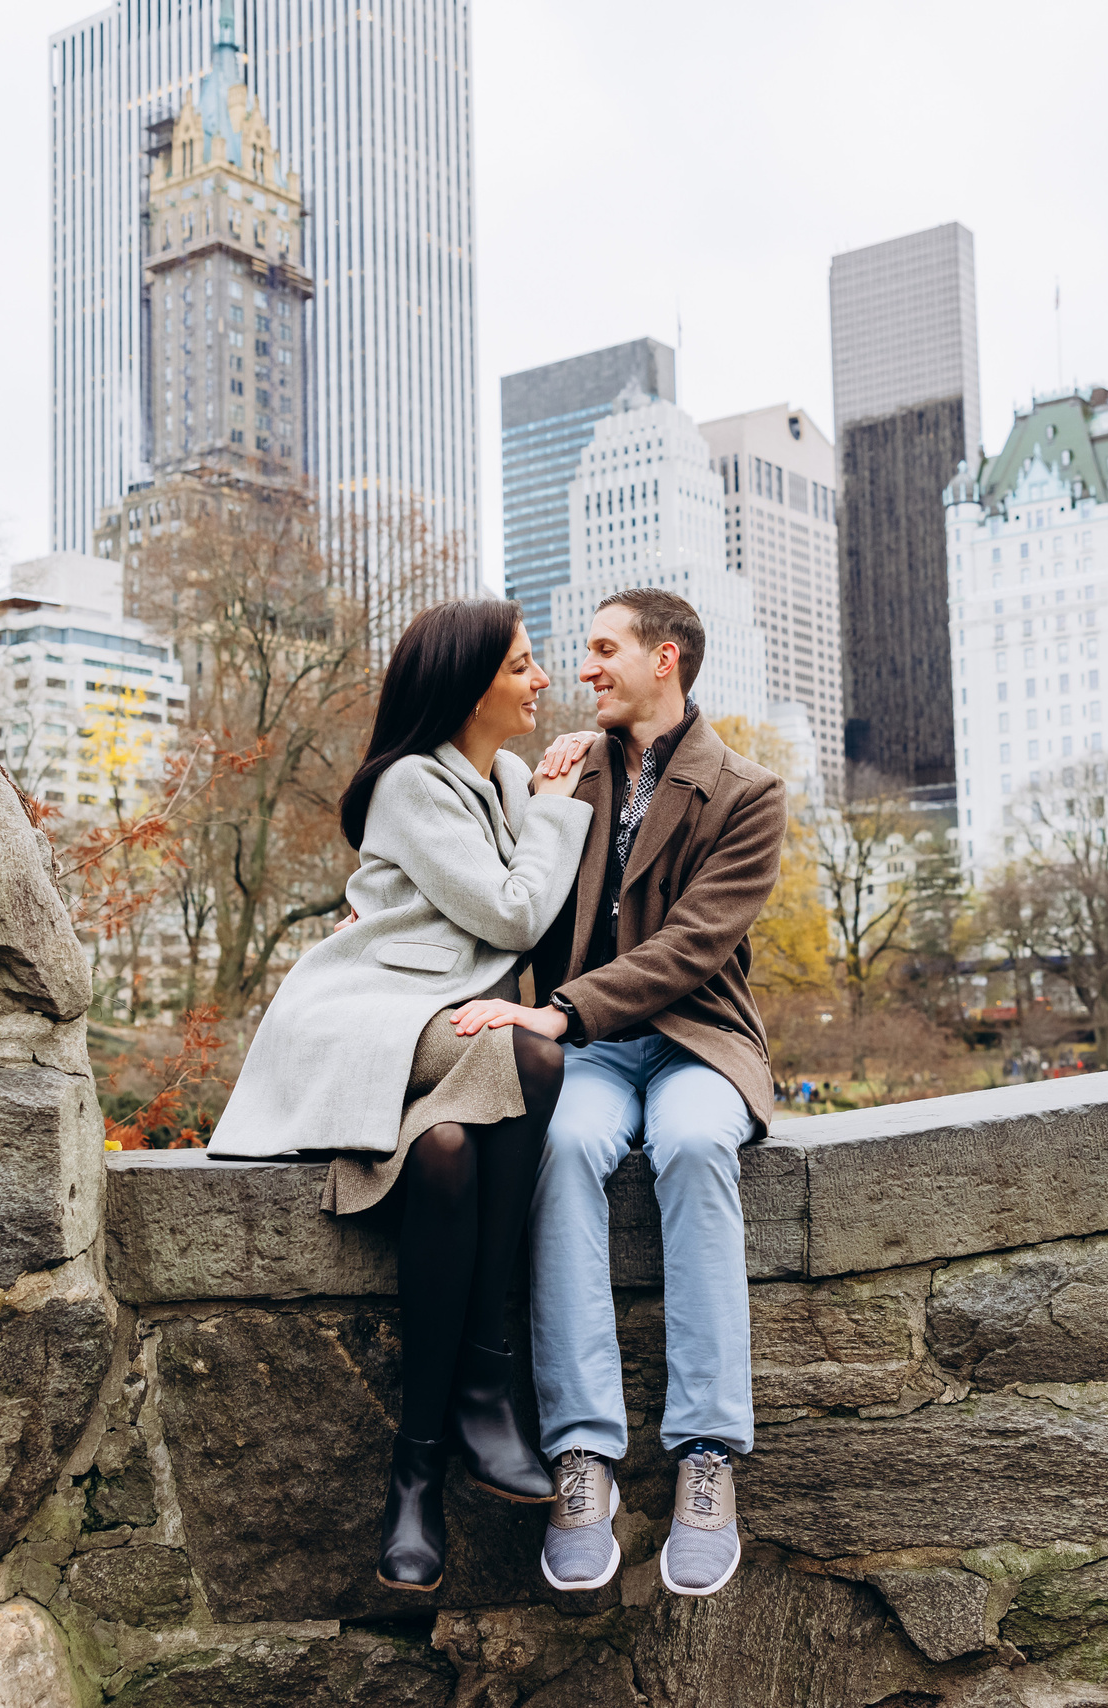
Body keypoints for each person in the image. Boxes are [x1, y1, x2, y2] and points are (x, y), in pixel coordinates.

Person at [205, 598, 595, 1594]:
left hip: (447, 1034)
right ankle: (482, 1378)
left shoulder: (504, 776)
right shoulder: (408, 787)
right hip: (375, 1019)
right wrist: (557, 814)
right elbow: (512, 912)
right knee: (536, 1062)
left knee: (447, 1154)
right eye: (520, 665)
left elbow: (537, 925)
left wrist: (541, 807)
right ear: (468, 685)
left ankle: (414, 1470)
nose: (539, 681)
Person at [440, 588, 786, 1601]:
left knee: (689, 1145)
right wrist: (534, 818)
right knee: (562, 1147)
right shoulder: (560, 771)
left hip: (697, 1040)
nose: (581, 668)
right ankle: (583, 1456)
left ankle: (708, 1455)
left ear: (663, 658)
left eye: (602, 649)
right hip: (590, 1054)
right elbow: (508, 907)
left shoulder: (748, 792)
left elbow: (692, 946)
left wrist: (562, 1011)